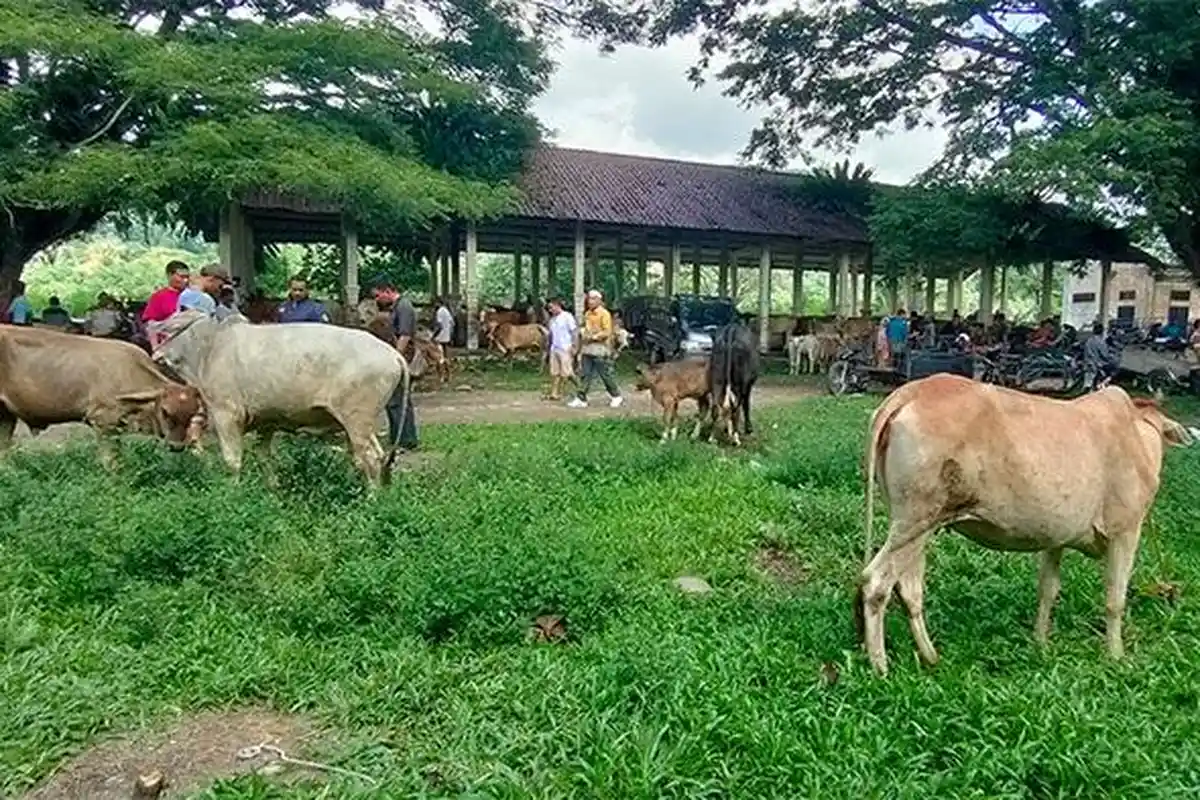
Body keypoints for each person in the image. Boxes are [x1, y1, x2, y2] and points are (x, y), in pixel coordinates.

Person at [374, 280, 419, 451]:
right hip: (398, 357)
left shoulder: (404, 307)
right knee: (394, 399)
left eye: (378, 295)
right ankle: (397, 437)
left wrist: (395, 357)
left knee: (399, 399)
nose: (377, 299)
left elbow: (405, 335)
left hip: (401, 357)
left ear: (388, 291)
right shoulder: (397, 306)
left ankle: (406, 440)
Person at [568, 289, 623, 409]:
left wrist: (593, 337)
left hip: (600, 348)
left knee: (605, 374)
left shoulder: (604, 314)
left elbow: (607, 332)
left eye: (593, 299)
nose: (590, 301)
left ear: (599, 300)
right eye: (589, 298)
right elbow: (585, 327)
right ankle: (581, 398)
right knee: (585, 374)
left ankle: (616, 395)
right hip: (587, 348)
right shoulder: (587, 314)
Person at [142, 261, 190, 348]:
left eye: (187, 277)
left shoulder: (192, 296)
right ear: (169, 275)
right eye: (182, 277)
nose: (185, 280)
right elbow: (150, 324)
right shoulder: (159, 296)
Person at [545, 297, 578, 401]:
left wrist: (574, 346)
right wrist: (548, 350)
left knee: (568, 373)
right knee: (555, 373)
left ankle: (580, 387)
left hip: (565, 347)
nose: (550, 310)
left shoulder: (567, 316)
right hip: (555, 348)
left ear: (557, 305)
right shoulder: (552, 320)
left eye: (551, 307)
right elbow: (551, 336)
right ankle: (554, 393)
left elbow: (574, 332)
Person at [1083, 321, 1119, 389]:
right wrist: (1112, 356)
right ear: (1102, 331)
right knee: (1116, 368)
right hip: (1098, 364)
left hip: (1088, 363)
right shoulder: (1100, 342)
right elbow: (1105, 355)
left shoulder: (1089, 340)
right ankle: (1105, 383)